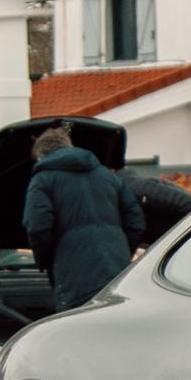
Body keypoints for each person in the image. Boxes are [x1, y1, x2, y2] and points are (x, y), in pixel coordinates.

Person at [22, 124, 144, 309]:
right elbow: (136, 222)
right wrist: (121, 252)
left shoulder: (42, 180)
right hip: (118, 272)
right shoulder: (109, 177)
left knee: (77, 329)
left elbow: (37, 227)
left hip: (75, 275)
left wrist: (46, 260)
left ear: (40, 156)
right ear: (69, 146)